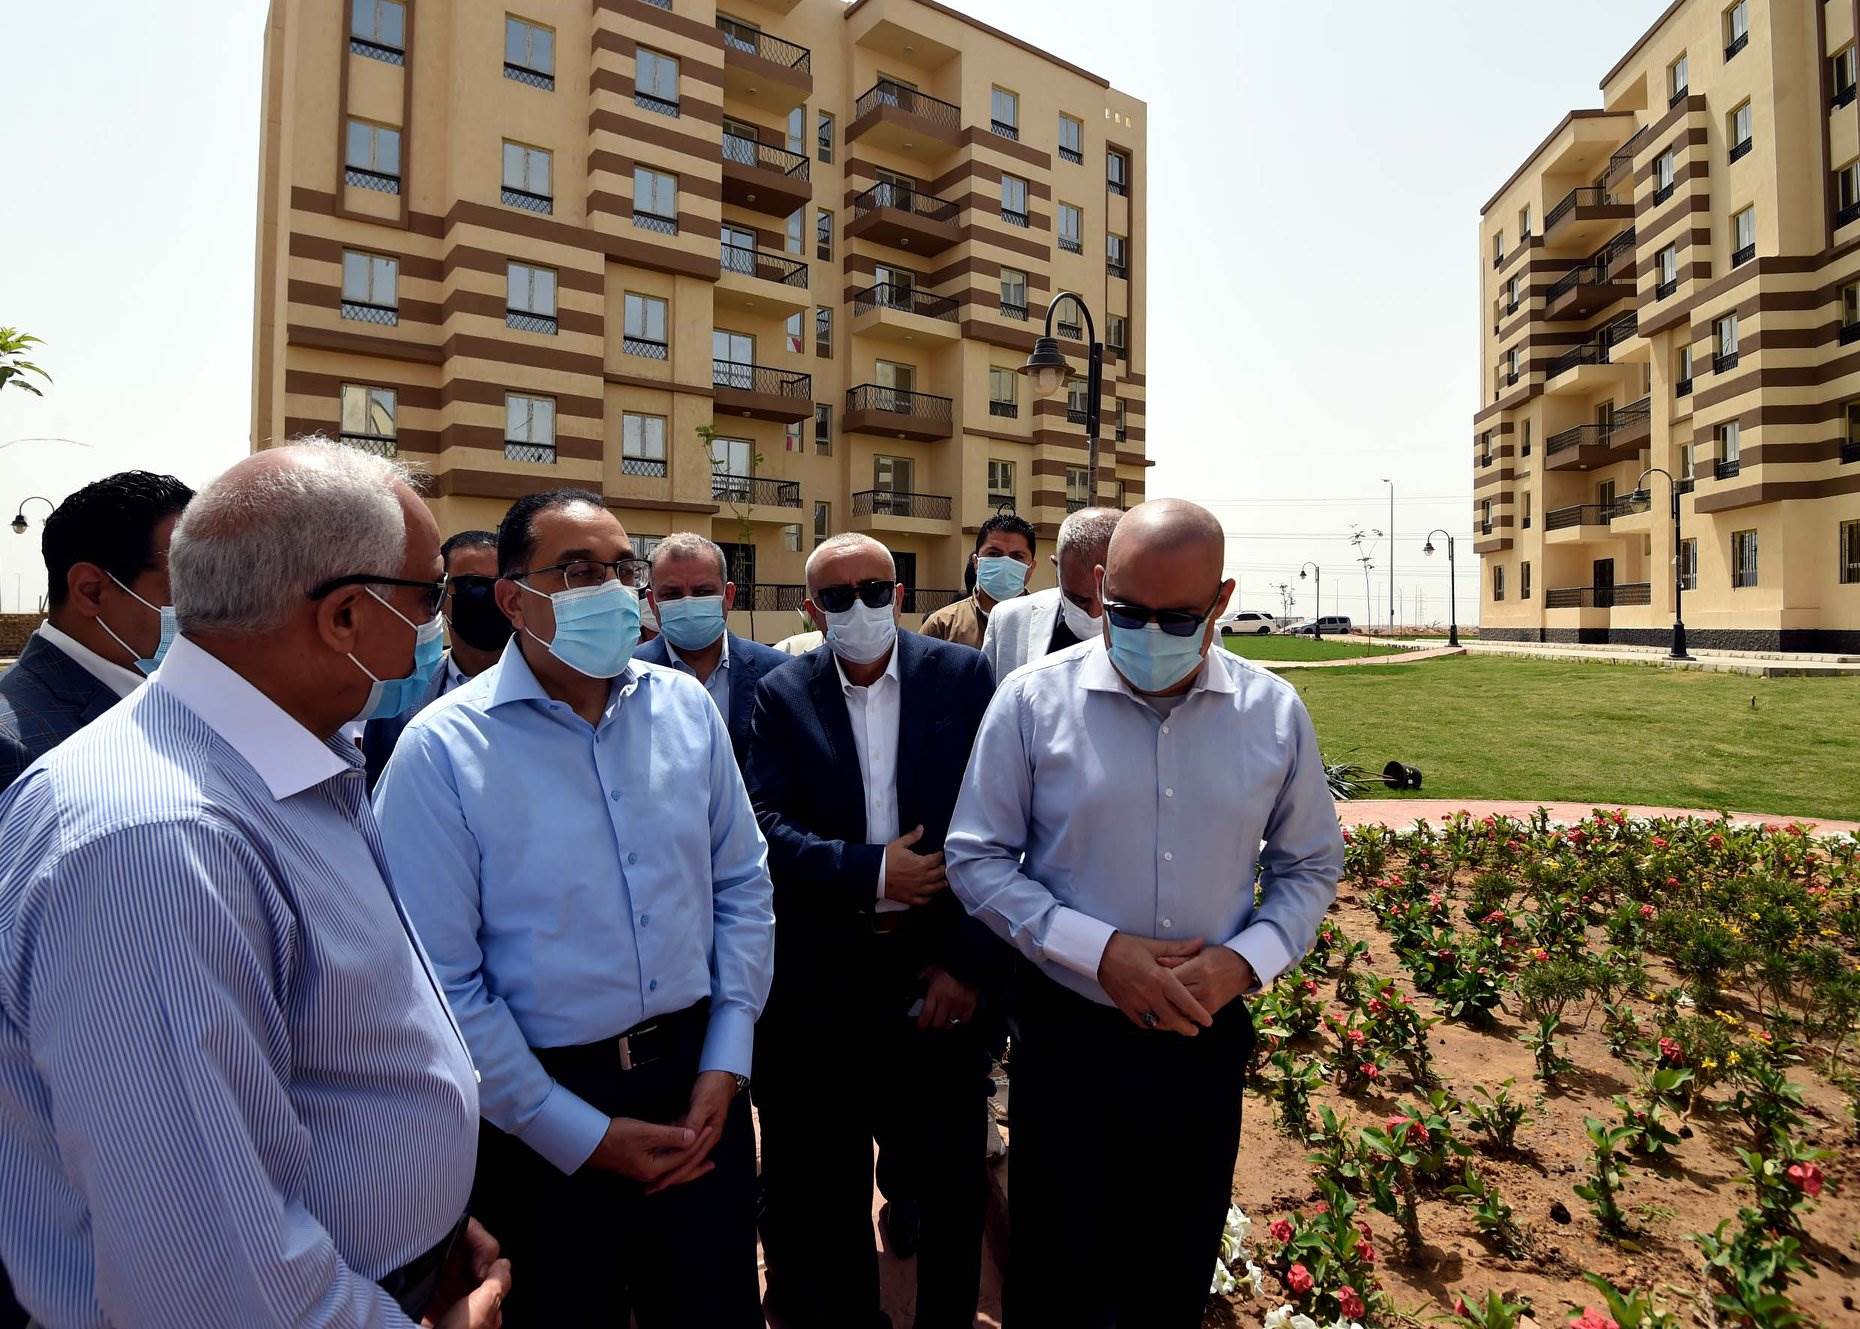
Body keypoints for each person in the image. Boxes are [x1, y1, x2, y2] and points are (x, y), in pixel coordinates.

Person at [0, 441, 509, 1328]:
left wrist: (424, 1218)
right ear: (345, 615)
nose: (437, 623)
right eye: (428, 595)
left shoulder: (286, 763)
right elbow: (209, 1281)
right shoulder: (156, 843)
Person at [373, 489, 774, 1327]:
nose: (614, 590)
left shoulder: (686, 708)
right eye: (581, 570)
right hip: (540, 1116)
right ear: (514, 599)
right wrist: (575, 1132)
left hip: (698, 1088)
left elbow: (741, 880)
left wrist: (726, 1057)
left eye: (623, 569)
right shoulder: (440, 750)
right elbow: (440, 982)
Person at [945, 498, 1343, 1328]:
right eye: (1127, 612)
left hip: (1201, 1038)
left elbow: (1308, 864)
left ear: (1222, 600)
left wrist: (1242, 961)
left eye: (1177, 618)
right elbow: (976, 856)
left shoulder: (1273, 713)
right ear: (1099, 586)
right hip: (1070, 1038)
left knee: (1172, 1271)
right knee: (1053, 1277)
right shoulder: (1032, 700)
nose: (1148, 634)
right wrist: (1098, 952)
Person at [746, 532, 1001, 1329]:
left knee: (951, 1183)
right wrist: (872, 871)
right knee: (829, 1190)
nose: (859, 606)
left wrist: (967, 964)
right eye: (837, 595)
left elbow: (1005, 823)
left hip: (940, 975)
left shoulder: (962, 676)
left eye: (874, 589)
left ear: (901, 594)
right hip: (828, 982)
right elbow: (765, 824)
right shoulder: (782, 693)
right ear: (810, 609)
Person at [0, 470, 194, 792]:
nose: (211, 610)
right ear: (91, 592)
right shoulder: (13, 750)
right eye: (189, 590)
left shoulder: (183, 700)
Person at [362, 528, 511, 789]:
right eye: (473, 585)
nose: (490, 598)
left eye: (501, 586)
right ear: (441, 595)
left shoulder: (556, 691)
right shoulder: (400, 696)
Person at [633, 531, 790, 767]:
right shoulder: (627, 677)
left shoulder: (779, 674)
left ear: (729, 595)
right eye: (672, 594)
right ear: (652, 602)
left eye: (703, 592)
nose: (687, 602)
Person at [981, 506, 1121, 682]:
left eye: (1108, 599)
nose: (1094, 613)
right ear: (1057, 568)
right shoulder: (1009, 620)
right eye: (1078, 600)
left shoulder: (1150, 631)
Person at [918, 513, 1037, 648]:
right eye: (994, 554)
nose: (1005, 564)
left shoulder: (1047, 624)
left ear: (1031, 567)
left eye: (1017, 556)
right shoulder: (942, 626)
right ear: (976, 562)